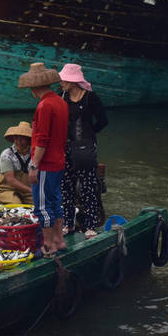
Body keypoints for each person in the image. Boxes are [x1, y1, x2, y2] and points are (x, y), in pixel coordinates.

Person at [17, 62, 68, 255]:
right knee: (55, 201)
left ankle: (48, 244)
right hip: (58, 161)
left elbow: (42, 139)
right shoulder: (61, 102)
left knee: (42, 206)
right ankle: (59, 240)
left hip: (46, 164)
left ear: (33, 87)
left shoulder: (44, 105)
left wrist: (34, 164)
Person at [59, 63, 108, 236]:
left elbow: (103, 120)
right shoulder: (62, 97)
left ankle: (90, 226)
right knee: (66, 186)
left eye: (64, 80)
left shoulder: (90, 97)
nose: (61, 83)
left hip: (85, 149)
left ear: (73, 81)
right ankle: (68, 224)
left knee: (88, 186)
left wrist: (89, 134)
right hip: (66, 147)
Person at [0, 121, 34, 205]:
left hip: (27, 191)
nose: (18, 142)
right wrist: (31, 190)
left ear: (28, 140)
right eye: (16, 139)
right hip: (7, 189)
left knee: (40, 203)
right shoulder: (6, 154)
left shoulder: (35, 154)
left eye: (22, 139)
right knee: (17, 205)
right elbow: (10, 180)